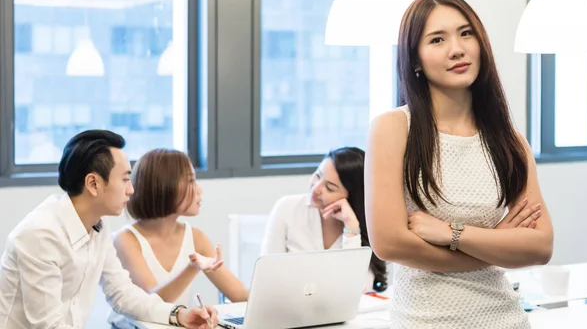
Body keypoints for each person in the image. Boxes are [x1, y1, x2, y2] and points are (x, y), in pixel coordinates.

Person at [365, 0, 554, 328]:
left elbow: (539, 247)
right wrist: (496, 241)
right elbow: (389, 243)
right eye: (437, 39)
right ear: (415, 60)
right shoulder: (393, 129)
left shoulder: (510, 140)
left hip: (506, 319)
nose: (457, 49)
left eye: (466, 33)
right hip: (424, 321)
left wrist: (452, 233)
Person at [0, 130, 218, 329]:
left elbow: (122, 293)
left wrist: (179, 314)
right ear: (93, 184)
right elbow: (48, 326)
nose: (131, 190)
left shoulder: (97, 225)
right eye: (125, 179)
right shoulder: (39, 235)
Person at [109, 149, 248, 328]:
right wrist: (192, 268)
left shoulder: (196, 237)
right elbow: (153, 302)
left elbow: (238, 294)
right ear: (164, 186)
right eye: (191, 181)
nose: (199, 189)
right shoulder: (125, 240)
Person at [261, 147, 387, 292]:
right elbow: (267, 275)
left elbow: (358, 289)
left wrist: (351, 229)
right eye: (318, 176)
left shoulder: (364, 226)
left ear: (352, 198)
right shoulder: (287, 207)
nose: (316, 189)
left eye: (330, 188)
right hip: (289, 308)